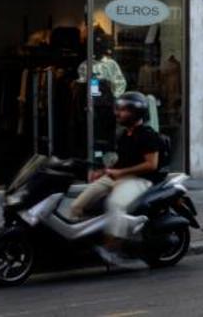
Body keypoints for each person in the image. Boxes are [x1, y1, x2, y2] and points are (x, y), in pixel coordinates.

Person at [67, 91, 165, 268]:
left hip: (138, 180)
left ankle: (114, 249)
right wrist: (103, 172)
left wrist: (120, 172)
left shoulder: (148, 135)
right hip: (117, 177)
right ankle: (80, 243)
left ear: (136, 113)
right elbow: (121, 161)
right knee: (77, 205)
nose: (118, 113)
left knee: (115, 205)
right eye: (118, 109)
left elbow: (151, 164)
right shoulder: (123, 135)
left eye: (123, 110)